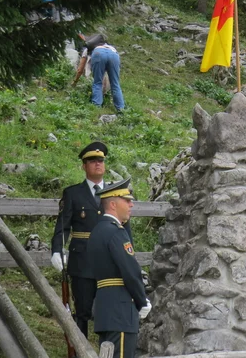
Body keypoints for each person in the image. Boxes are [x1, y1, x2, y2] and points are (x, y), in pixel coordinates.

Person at [51, 142, 133, 338]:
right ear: (84, 166)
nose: (97, 164)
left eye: (100, 160)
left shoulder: (115, 192)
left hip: (110, 261)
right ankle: (81, 349)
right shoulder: (73, 193)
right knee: (82, 311)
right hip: (83, 262)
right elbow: (62, 226)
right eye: (92, 161)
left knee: (110, 310)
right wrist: (57, 249)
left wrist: (129, 255)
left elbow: (124, 226)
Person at [90, 178, 151, 358]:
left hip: (105, 308)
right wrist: (142, 300)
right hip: (121, 310)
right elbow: (130, 271)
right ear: (114, 204)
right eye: (127, 200)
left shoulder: (97, 231)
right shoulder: (115, 232)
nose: (131, 204)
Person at [88, 35, 126, 112]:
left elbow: (81, 68)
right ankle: (121, 109)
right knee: (115, 84)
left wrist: (75, 81)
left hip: (98, 54)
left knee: (97, 82)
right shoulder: (109, 46)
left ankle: (96, 106)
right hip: (114, 55)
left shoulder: (88, 48)